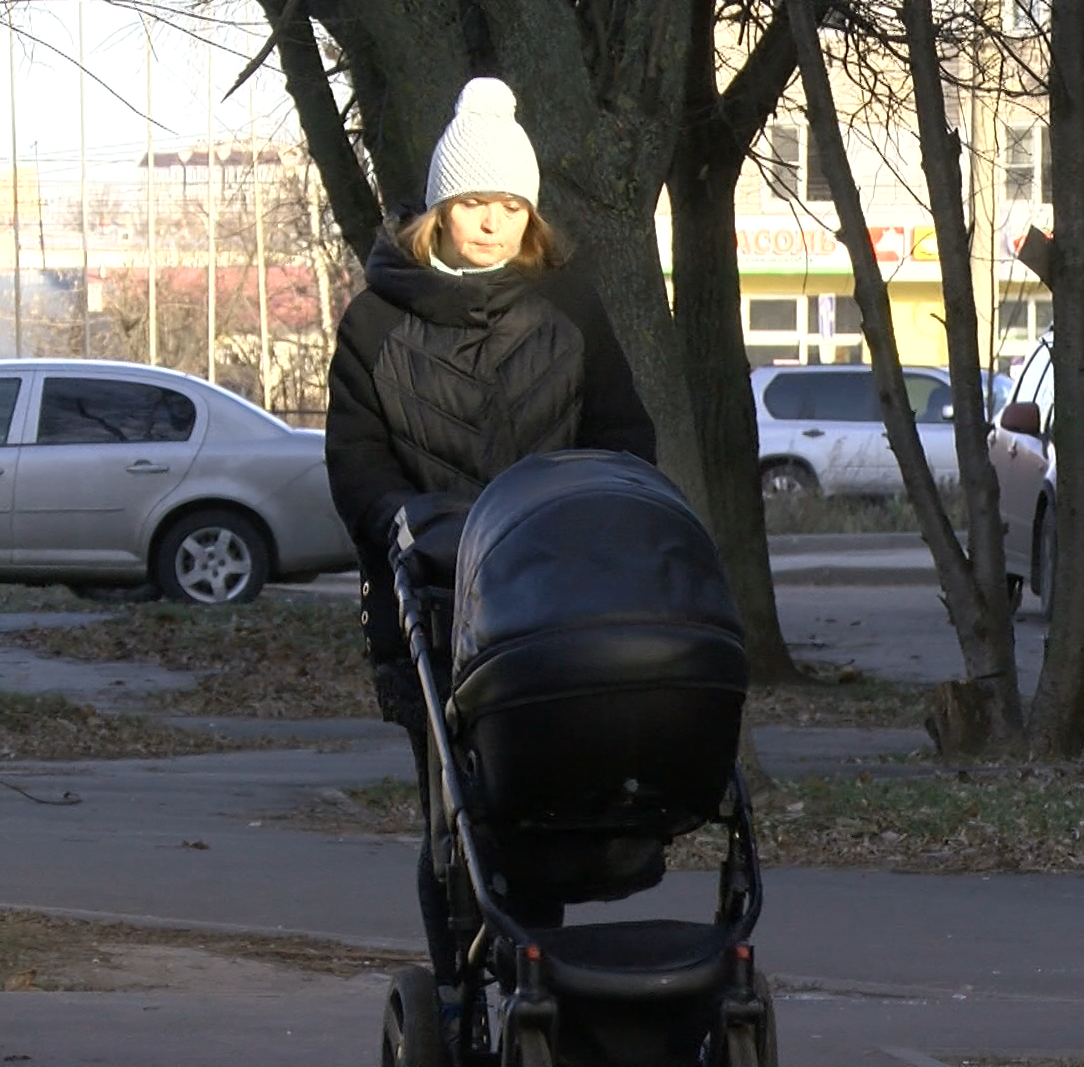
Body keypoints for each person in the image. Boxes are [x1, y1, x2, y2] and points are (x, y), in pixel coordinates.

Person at [322, 75, 656, 1019]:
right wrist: (414, 530)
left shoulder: (569, 310)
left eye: (511, 204)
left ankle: (544, 983)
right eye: (475, 202)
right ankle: (468, 993)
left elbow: (623, 433)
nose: (493, 221)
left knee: (548, 794)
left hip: (558, 596)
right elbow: (356, 463)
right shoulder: (377, 324)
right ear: (441, 208)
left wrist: (590, 514)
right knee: (454, 815)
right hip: (433, 600)